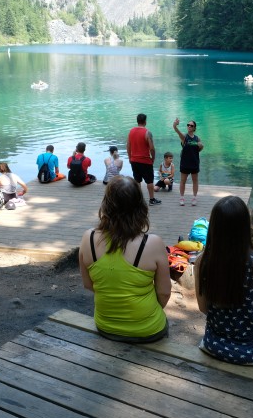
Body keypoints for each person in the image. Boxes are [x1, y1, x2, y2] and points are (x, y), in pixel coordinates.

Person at [78, 176, 171, 342]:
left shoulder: (88, 238)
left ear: (106, 205)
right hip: (148, 329)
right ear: (140, 206)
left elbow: (88, 284)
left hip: (106, 326)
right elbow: (163, 293)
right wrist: (142, 315)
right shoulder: (153, 243)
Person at [195, 196, 253, 366]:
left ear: (214, 227)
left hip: (214, 346)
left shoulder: (202, 261)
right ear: (246, 227)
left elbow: (204, 308)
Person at [127, 113, 160, 206]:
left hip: (134, 160)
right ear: (145, 121)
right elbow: (152, 148)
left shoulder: (131, 131)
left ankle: (138, 200)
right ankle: (152, 199)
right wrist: (153, 158)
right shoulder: (147, 132)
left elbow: (128, 146)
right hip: (145, 160)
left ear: (137, 121)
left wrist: (130, 157)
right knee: (149, 181)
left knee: (137, 180)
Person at [172, 118, 204, 206]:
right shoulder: (184, 137)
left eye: (191, 125)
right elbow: (177, 131)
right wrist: (175, 125)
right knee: (183, 181)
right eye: (188, 125)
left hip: (194, 163)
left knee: (195, 181)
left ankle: (194, 198)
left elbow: (200, 148)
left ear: (194, 128)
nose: (189, 126)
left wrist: (201, 145)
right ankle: (181, 198)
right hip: (185, 163)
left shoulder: (197, 138)